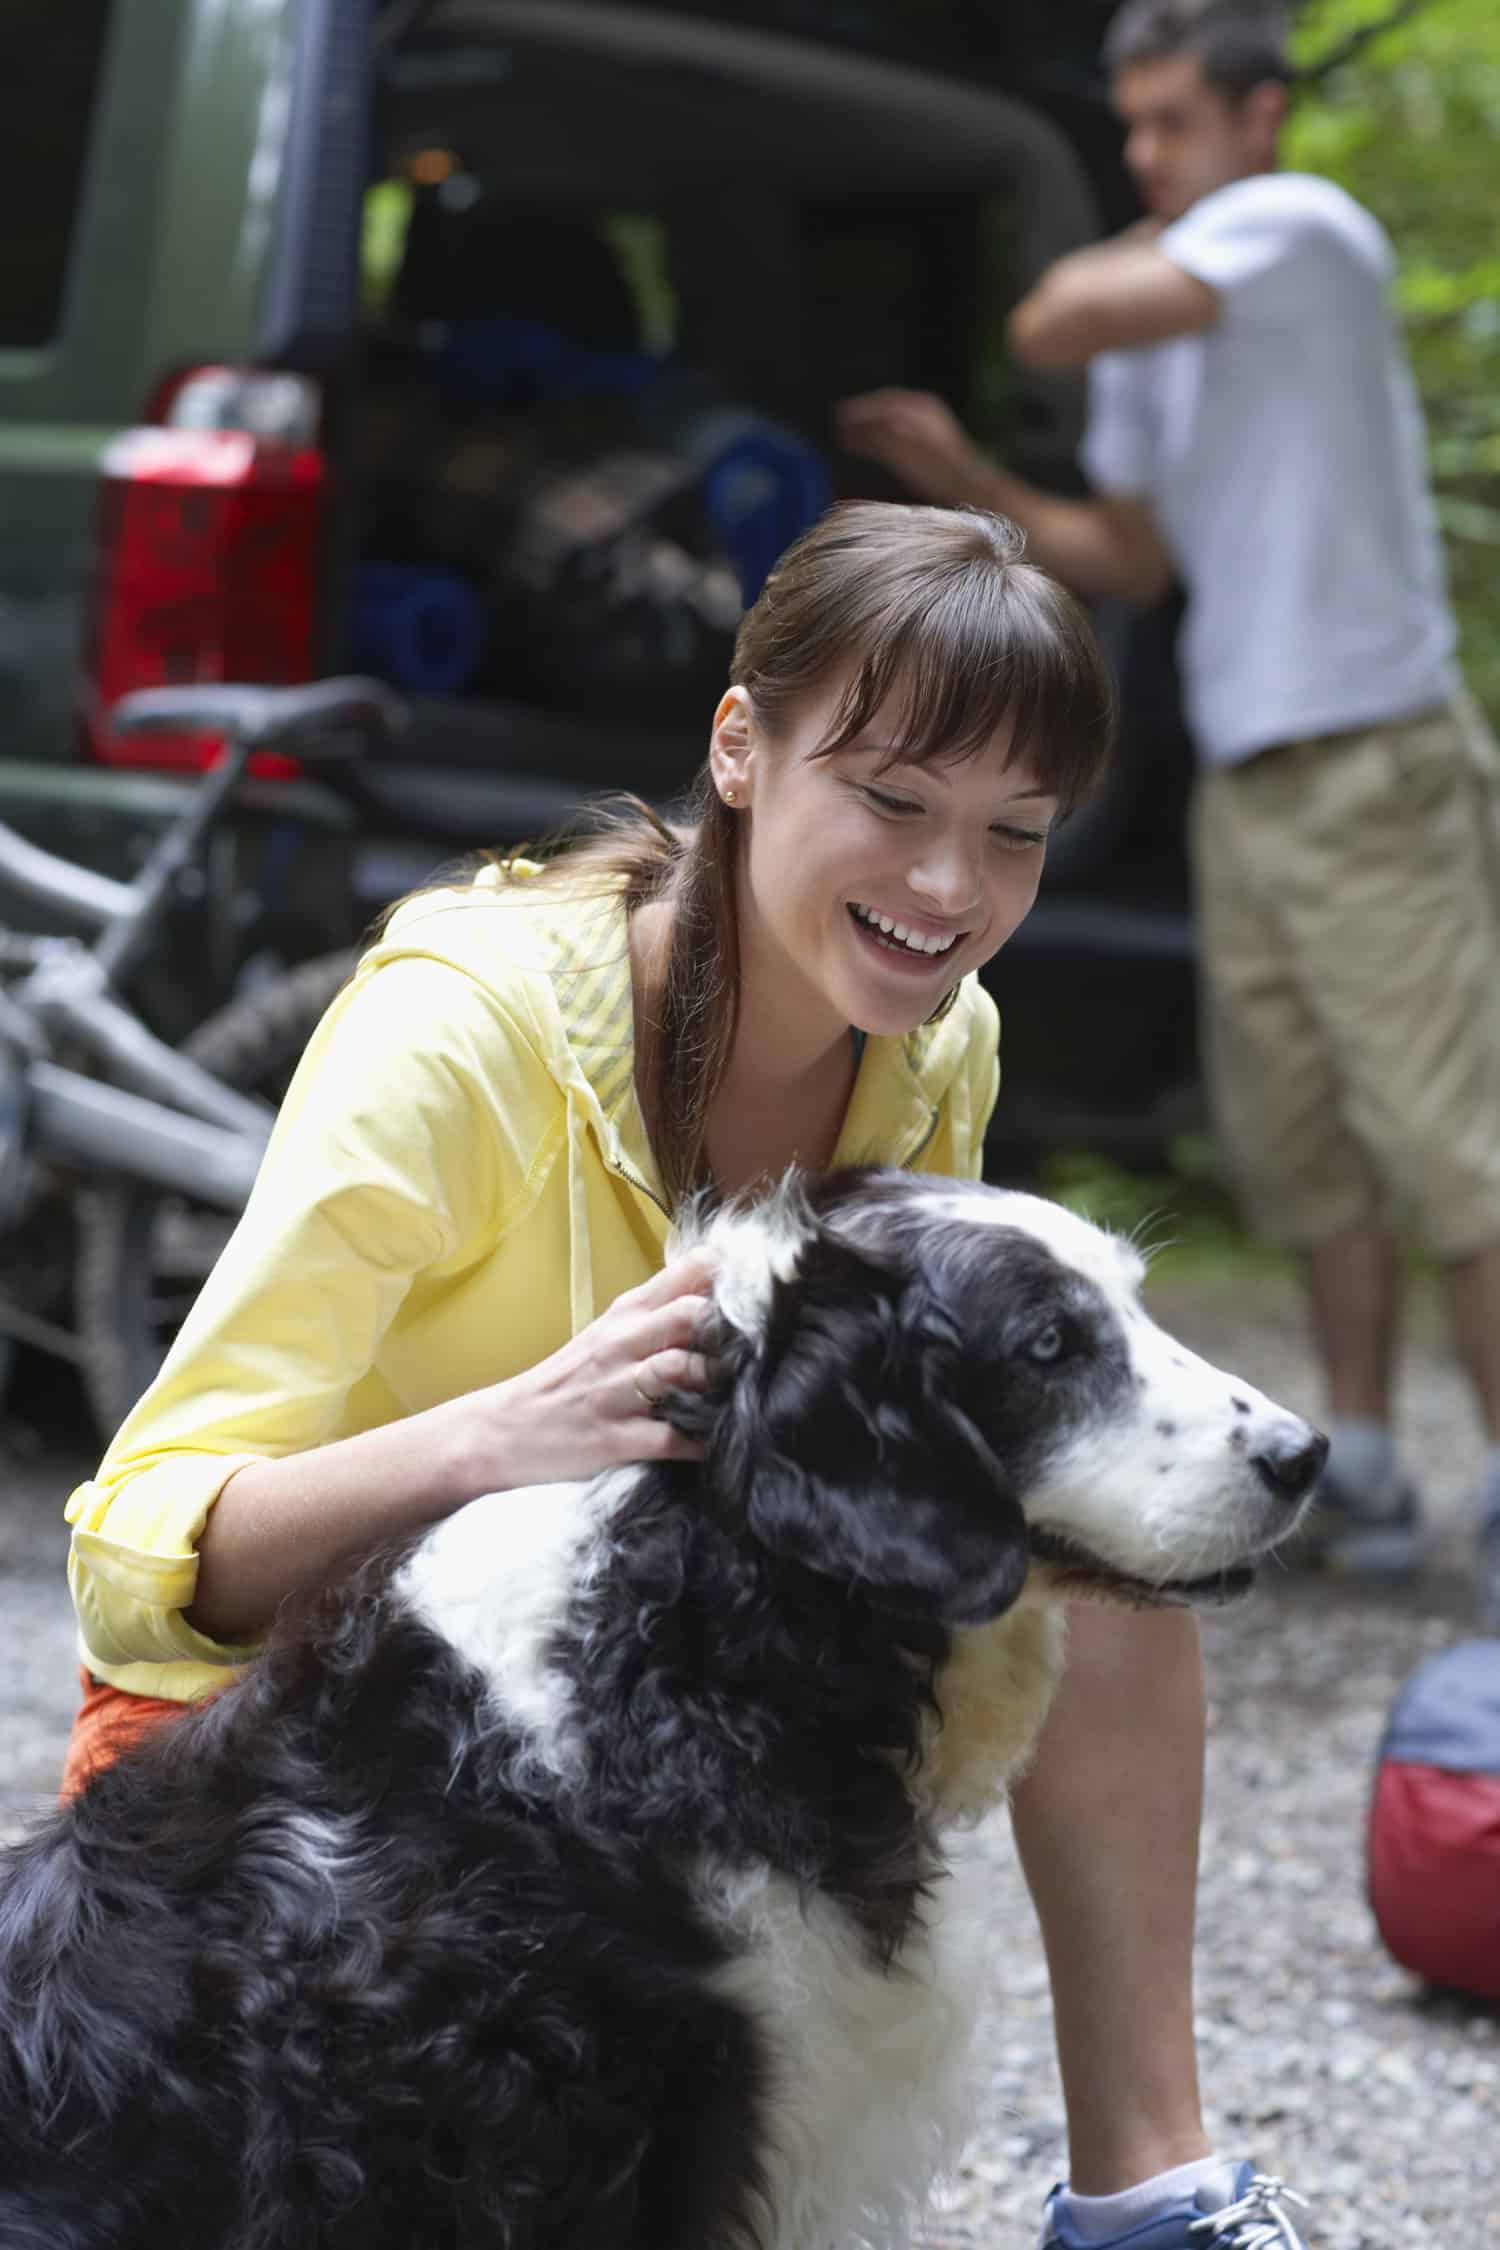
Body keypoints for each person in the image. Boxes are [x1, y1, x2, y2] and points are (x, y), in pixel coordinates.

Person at [62, 502, 1313, 2250]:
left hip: (640, 1728)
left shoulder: (934, 1035)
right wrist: (494, 1436)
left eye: (1013, 835)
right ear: (741, 746)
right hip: (304, 1772)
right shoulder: (458, 1031)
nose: (948, 889)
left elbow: (887, 1465)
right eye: (891, 802)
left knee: (1092, 1525)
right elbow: (134, 1552)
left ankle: (1149, 2189)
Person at [838, 0, 1500, 1631]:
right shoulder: (1177, 311)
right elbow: (1127, 557)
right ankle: (1356, 1468)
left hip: (1374, 757)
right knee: (1301, 1147)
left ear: (1257, 118)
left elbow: (1060, 314)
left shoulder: (1298, 227)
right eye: (1129, 128)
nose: (1145, 158)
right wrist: (960, 467)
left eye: (1168, 124)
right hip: (1255, 775)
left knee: (1450, 1148)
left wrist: (1103, 247)